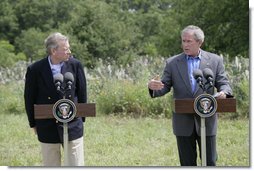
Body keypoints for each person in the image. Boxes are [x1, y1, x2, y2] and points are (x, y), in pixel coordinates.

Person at [147, 25, 233, 166]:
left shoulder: (215, 60)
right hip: (183, 122)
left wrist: (224, 92)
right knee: (187, 164)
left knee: (210, 162)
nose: (184, 45)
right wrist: (153, 87)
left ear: (200, 42)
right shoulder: (172, 63)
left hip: (207, 118)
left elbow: (224, 83)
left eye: (189, 41)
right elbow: (164, 87)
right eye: (183, 41)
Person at [24, 32, 87, 166]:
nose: (69, 52)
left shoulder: (76, 65)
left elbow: (82, 93)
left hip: (73, 122)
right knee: (51, 164)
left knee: (76, 164)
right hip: (47, 124)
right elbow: (29, 98)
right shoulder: (35, 69)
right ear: (53, 50)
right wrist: (33, 123)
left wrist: (81, 119)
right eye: (65, 49)